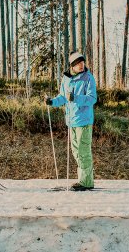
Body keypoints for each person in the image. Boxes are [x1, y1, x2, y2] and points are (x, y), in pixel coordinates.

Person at [45, 52, 97, 191]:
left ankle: (86, 181)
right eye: (78, 63)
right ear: (72, 66)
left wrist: (76, 98)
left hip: (84, 120)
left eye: (82, 62)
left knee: (83, 150)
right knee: (76, 151)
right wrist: (52, 102)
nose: (81, 65)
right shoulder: (66, 79)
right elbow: (63, 97)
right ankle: (84, 179)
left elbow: (92, 98)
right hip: (71, 121)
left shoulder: (88, 78)